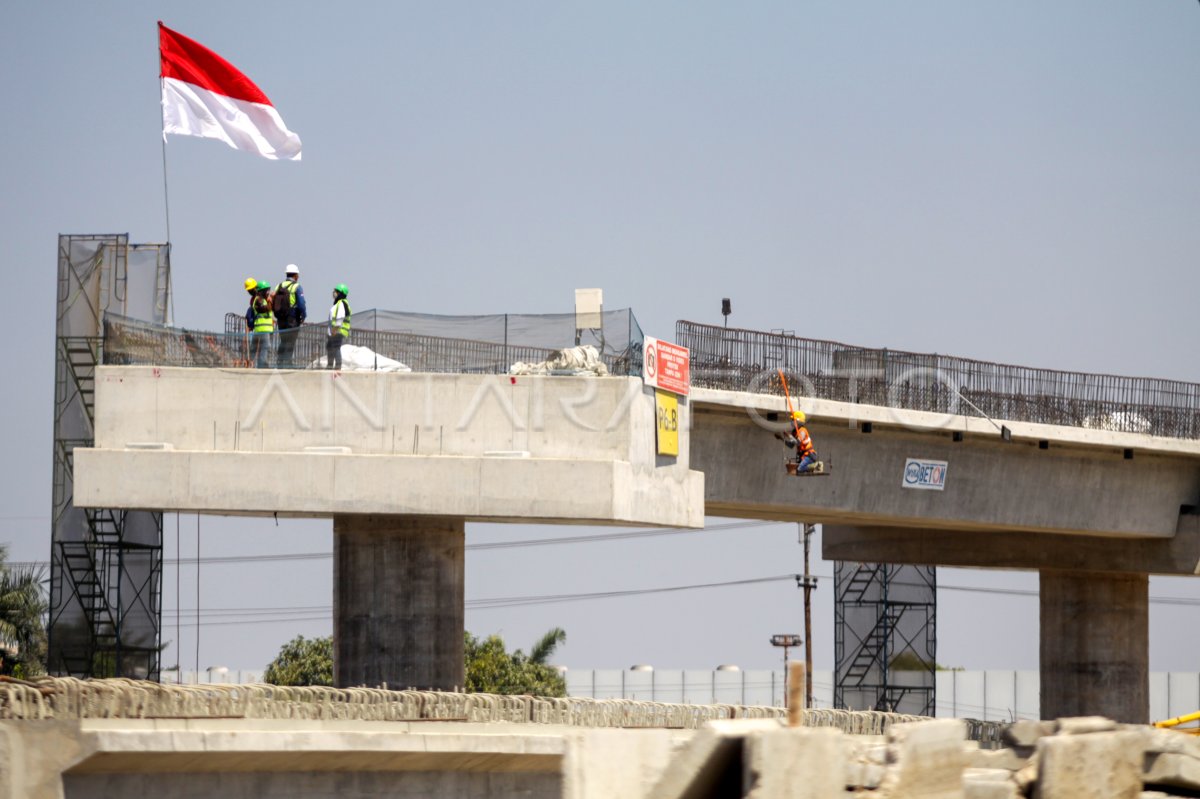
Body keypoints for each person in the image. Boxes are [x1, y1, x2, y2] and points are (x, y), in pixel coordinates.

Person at [273, 265, 307, 368]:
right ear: (296, 275)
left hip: (280, 317)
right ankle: (287, 364)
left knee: (283, 340)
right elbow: (301, 304)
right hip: (292, 317)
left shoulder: (279, 286)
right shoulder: (297, 286)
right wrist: (303, 315)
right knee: (290, 341)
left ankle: (280, 362)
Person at [246, 279, 275, 368]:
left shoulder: (263, 299)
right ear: (262, 291)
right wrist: (271, 299)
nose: (268, 292)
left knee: (263, 348)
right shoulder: (259, 300)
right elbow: (265, 309)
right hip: (262, 329)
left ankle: (259, 364)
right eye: (267, 290)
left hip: (267, 329)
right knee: (265, 348)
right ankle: (262, 366)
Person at [326, 283, 351, 370]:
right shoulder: (338, 304)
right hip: (334, 331)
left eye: (336, 292)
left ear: (340, 293)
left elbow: (340, 317)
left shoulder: (341, 303)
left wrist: (334, 329)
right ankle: (330, 366)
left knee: (336, 347)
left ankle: (337, 367)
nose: (334, 293)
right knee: (330, 347)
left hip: (337, 331)